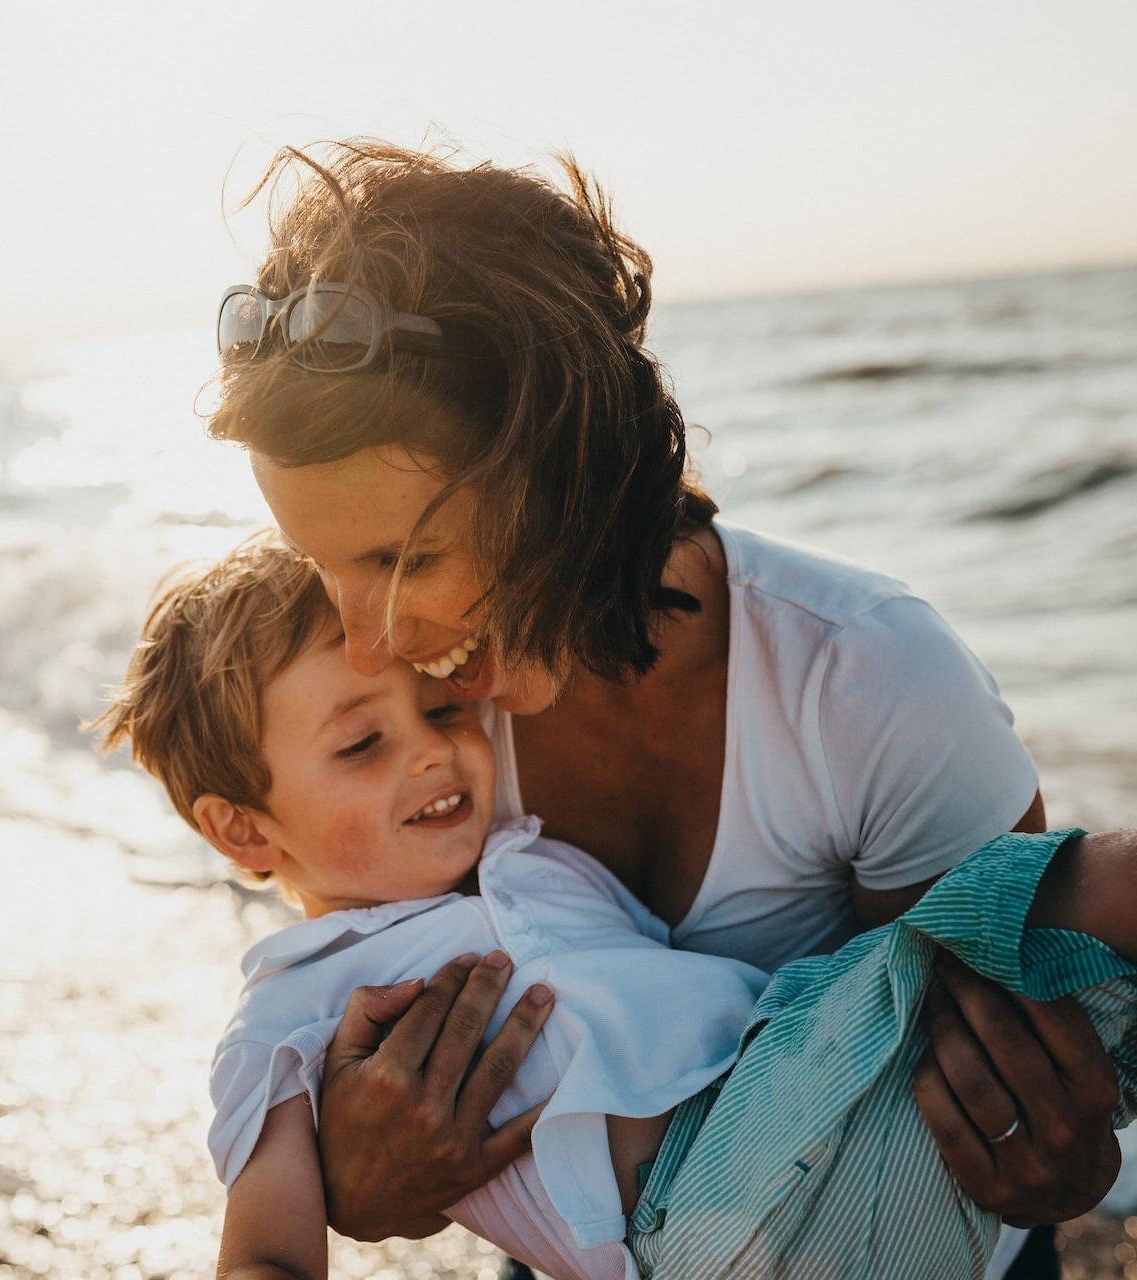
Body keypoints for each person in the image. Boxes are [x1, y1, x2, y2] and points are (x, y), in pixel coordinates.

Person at [205, 141, 1122, 1276]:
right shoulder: (415, 727)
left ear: (566, 470)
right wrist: (360, 1175)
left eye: (404, 556)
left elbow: (998, 1064)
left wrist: (1065, 1161)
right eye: (320, 567)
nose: (366, 637)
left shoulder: (868, 681)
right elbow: (357, 985)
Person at [90, 534, 1137, 1280]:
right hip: (703, 1204)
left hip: (823, 1124)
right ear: (243, 830)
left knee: (1083, 971)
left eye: (442, 707)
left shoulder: (531, 857)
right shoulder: (290, 1007)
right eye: (362, 744)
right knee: (1097, 891)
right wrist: (346, 1189)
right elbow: (267, 1250)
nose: (434, 746)